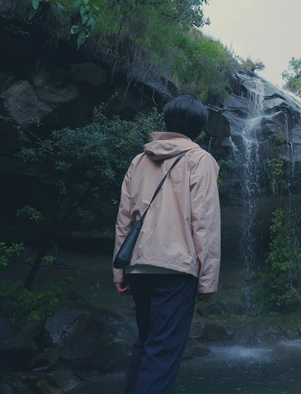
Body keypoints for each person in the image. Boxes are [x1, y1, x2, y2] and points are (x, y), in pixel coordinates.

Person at [112, 95, 221, 394]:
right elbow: (206, 223)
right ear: (199, 130)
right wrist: (208, 279)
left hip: (139, 267)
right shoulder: (200, 159)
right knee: (163, 352)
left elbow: (124, 218)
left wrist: (118, 271)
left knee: (145, 345)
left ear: (167, 123)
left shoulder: (138, 160)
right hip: (176, 270)